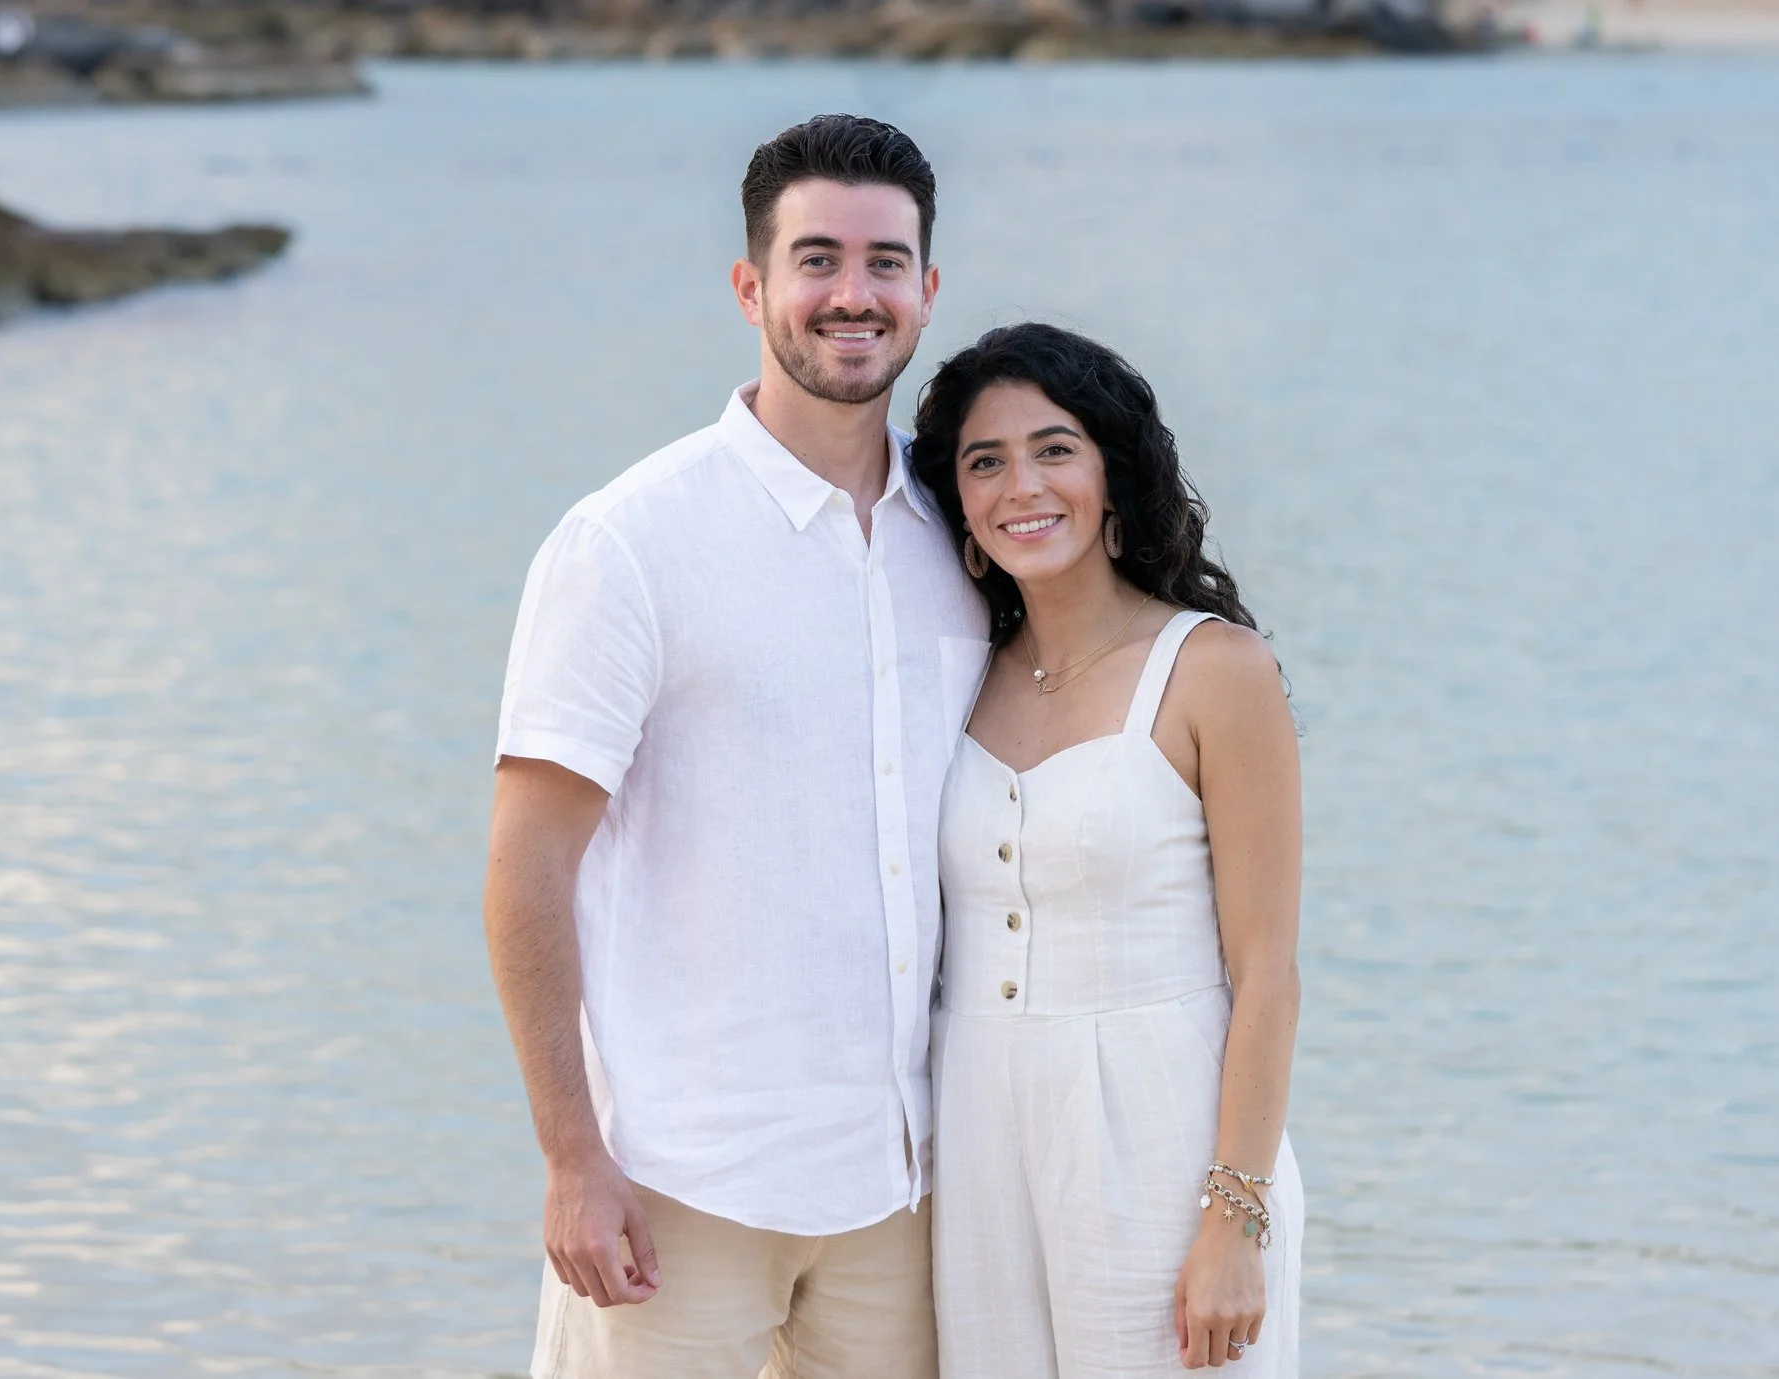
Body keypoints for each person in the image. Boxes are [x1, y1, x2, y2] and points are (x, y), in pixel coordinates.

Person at [482, 114, 985, 1379]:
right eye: (815, 260)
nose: (850, 295)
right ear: (750, 285)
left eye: (884, 263)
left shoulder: (969, 538)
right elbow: (525, 866)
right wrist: (569, 1157)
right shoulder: (629, 543)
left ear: (928, 290)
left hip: (902, 1191)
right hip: (679, 1189)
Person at [909, 323, 1307, 1376]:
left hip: (1159, 1129)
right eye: (982, 461)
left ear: (1111, 472)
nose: (1020, 486)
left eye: (1054, 448)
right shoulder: (958, 676)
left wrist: (1233, 1219)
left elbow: (1266, 971)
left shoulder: (1216, 668)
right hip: (982, 1127)